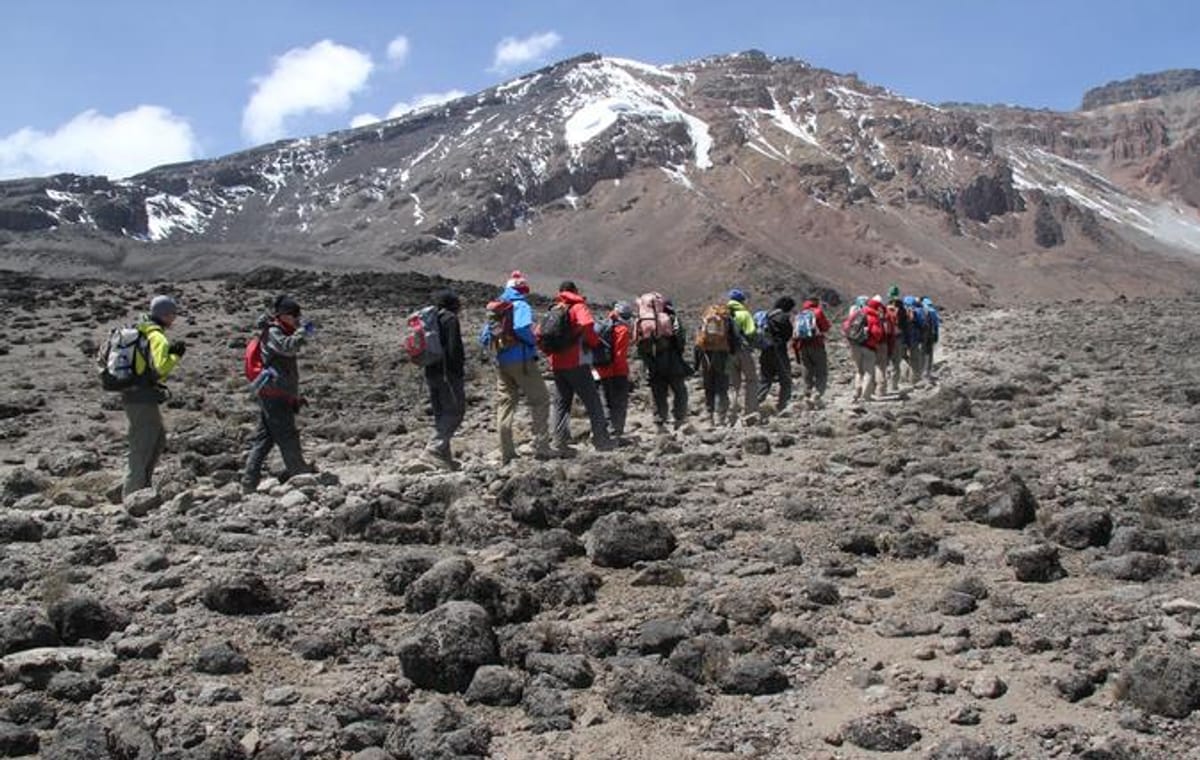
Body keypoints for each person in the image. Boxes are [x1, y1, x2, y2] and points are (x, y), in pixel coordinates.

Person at [242, 295, 317, 493]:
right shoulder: (274, 332)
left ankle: (249, 481)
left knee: (265, 439)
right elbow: (288, 348)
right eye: (294, 315)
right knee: (287, 434)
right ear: (283, 315)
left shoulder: (280, 330)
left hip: (276, 390)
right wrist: (302, 332)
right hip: (274, 392)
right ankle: (299, 472)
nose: (297, 318)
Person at [480, 271, 552, 464]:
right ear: (522, 290)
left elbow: (484, 338)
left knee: (505, 404)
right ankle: (541, 446)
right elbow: (521, 328)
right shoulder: (520, 305)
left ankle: (507, 451)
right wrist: (532, 342)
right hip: (522, 360)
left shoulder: (495, 309)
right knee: (540, 399)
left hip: (502, 362)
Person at [122, 295, 186, 498]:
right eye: (173, 314)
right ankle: (133, 493)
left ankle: (142, 487)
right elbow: (161, 368)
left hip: (134, 392)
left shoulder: (140, 329)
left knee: (157, 437)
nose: (174, 318)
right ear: (165, 314)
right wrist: (175, 355)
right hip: (141, 394)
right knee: (144, 440)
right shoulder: (156, 335)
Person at [543, 281, 614, 453]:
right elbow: (587, 324)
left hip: (557, 364)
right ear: (575, 291)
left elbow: (540, 333)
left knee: (561, 403)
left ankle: (559, 442)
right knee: (593, 402)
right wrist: (593, 342)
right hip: (577, 363)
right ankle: (601, 441)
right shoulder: (578, 307)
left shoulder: (555, 309)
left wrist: (550, 353)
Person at [422, 289, 466, 470]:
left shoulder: (430, 320)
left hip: (430, 370)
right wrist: (458, 371)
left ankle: (444, 459)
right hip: (447, 374)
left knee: (441, 413)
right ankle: (434, 448)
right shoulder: (449, 319)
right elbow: (454, 348)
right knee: (456, 411)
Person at [641, 298, 690, 431]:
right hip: (672, 361)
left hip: (653, 364)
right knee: (679, 390)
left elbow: (639, 346)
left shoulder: (644, 321)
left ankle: (659, 422)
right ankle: (679, 419)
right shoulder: (672, 319)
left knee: (658, 392)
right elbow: (680, 339)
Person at [595, 302, 633, 439]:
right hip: (617, 372)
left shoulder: (602, 326)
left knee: (604, 400)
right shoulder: (621, 330)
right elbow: (619, 356)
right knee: (619, 402)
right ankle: (616, 431)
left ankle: (603, 431)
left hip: (600, 369)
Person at [694, 301, 735, 427]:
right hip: (723, 355)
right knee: (722, 387)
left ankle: (709, 417)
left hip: (706, 356)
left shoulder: (706, 320)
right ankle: (721, 418)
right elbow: (734, 339)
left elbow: (698, 343)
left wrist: (696, 364)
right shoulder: (727, 320)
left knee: (709, 387)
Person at [756, 296, 796, 412]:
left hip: (765, 350)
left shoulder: (768, 315)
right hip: (779, 351)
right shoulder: (783, 317)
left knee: (765, 379)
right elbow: (788, 334)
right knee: (786, 379)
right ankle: (783, 406)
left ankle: (754, 404)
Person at [791, 294, 832, 406]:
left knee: (807, 372)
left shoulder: (800, 314)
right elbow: (826, 327)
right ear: (816, 302)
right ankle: (817, 395)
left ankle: (807, 395)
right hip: (816, 345)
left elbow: (795, 334)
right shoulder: (818, 312)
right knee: (821, 372)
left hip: (802, 346)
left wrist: (796, 351)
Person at [725, 289, 760, 421]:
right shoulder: (744, 314)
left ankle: (731, 413)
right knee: (751, 380)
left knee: (733, 385)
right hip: (743, 350)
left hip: (728, 353)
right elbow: (751, 332)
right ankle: (750, 412)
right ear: (742, 300)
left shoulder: (723, 314)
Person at [846, 295, 886, 403]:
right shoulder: (874, 317)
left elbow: (846, 326)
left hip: (855, 345)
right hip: (869, 347)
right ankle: (865, 396)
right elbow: (877, 333)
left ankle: (856, 392)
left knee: (859, 370)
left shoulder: (857, 313)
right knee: (869, 372)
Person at [884, 284, 908, 393]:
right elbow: (905, 324)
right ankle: (893, 385)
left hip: (886, 338)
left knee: (885, 362)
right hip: (898, 337)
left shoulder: (885, 307)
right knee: (896, 363)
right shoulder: (902, 308)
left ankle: (883, 386)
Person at [900, 295, 926, 386]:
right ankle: (913, 379)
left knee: (903, 358)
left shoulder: (900, 311)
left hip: (902, 339)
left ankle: (903, 378)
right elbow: (922, 324)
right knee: (914, 359)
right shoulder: (917, 311)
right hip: (914, 338)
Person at [920, 296, 941, 381]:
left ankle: (921, 372)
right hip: (931, 334)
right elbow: (936, 324)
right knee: (930, 354)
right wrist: (936, 336)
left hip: (923, 335)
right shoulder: (933, 311)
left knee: (922, 353)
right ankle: (928, 372)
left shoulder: (922, 310)